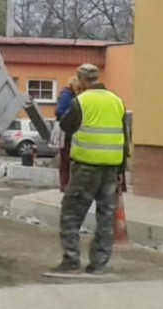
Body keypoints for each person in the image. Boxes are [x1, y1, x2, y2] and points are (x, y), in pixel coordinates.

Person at [46, 64, 128, 277]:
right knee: (106, 216)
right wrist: (121, 169)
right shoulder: (116, 101)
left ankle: (71, 261)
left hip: (86, 166)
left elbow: (66, 125)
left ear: (82, 80)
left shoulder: (81, 101)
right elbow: (125, 137)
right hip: (111, 168)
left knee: (71, 213)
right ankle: (99, 264)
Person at [55, 76, 80, 192]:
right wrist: (71, 113)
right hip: (67, 131)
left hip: (69, 131)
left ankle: (66, 183)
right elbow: (59, 111)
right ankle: (65, 184)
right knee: (66, 158)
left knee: (67, 159)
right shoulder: (67, 95)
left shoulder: (69, 95)